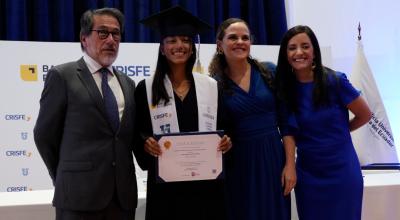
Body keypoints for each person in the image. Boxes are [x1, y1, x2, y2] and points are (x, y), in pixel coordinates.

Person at [34, 8, 140, 220]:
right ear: (84, 38)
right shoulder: (62, 76)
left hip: (122, 199)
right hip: (77, 197)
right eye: (102, 33)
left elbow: (127, 137)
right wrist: (65, 175)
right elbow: (44, 135)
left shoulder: (128, 84)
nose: (111, 40)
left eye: (116, 34)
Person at [135, 6, 232, 220]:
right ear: (162, 48)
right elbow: (137, 132)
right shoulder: (146, 88)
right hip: (165, 188)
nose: (179, 46)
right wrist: (145, 143)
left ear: (192, 48)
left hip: (206, 185)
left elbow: (226, 128)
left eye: (185, 40)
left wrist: (227, 141)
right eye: (171, 40)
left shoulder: (211, 87)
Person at [275, 25, 372, 220]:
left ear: (314, 51)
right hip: (308, 174)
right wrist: (290, 166)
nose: (299, 52)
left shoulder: (334, 81)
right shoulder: (285, 88)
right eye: (292, 48)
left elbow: (365, 114)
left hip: (342, 171)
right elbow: (287, 130)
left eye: (305, 46)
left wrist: (343, 133)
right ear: (285, 54)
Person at [209, 18, 296, 220]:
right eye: (233, 37)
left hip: (273, 158)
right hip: (238, 164)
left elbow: (286, 122)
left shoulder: (270, 72)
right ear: (220, 45)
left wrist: (290, 164)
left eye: (245, 37)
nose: (240, 41)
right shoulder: (215, 85)